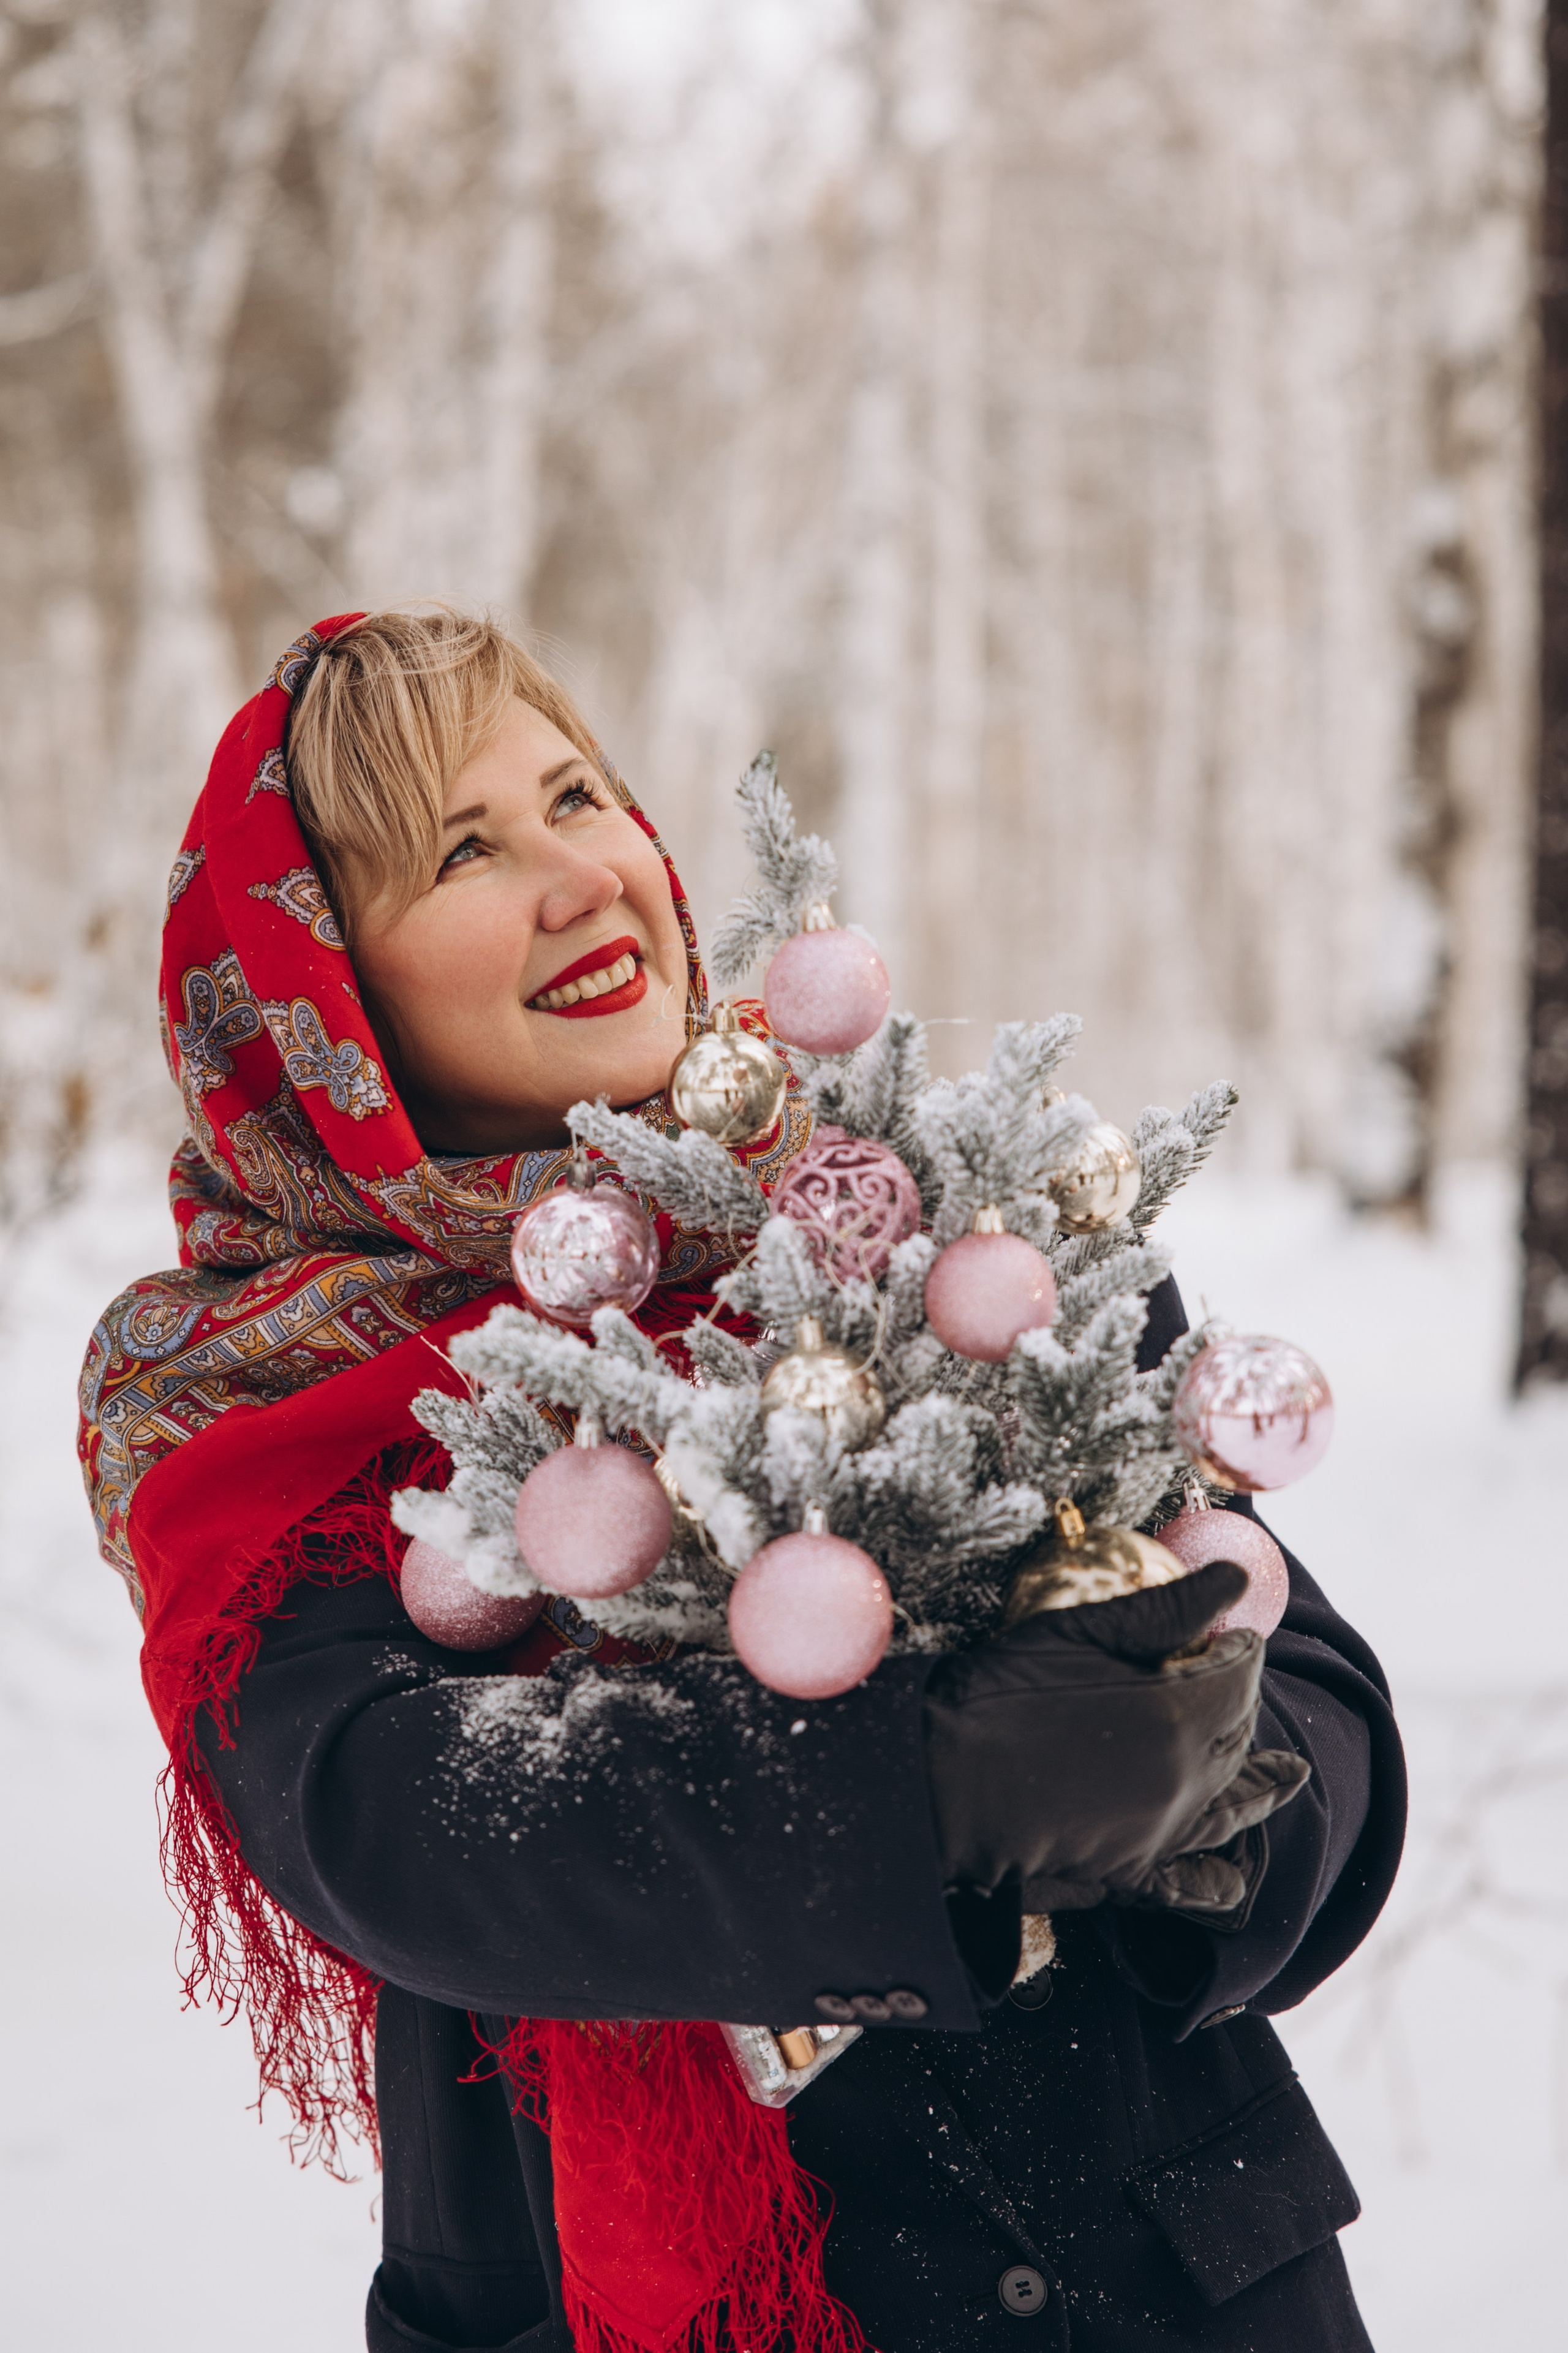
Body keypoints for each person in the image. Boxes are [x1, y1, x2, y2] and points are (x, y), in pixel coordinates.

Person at [80, 607, 1406, 2353]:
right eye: (465, 849)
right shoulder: (265, 1408)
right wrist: (927, 1790)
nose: (574, 874)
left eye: (577, 795)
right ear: (326, 991)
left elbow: (1321, 1695)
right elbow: (393, 1815)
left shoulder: (952, 1236)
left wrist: (1210, 1807)